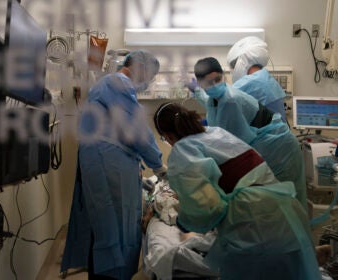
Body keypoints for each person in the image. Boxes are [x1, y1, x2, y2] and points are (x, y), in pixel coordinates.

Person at [153, 102, 321, 280]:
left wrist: (185, 221)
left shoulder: (183, 151)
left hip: (251, 220)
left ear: (168, 135)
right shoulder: (216, 133)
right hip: (284, 211)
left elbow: (206, 208)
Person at [61, 50, 167, 280]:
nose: (148, 83)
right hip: (108, 164)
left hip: (106, 160)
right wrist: (159, 165)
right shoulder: (116, 82)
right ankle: (112, 275)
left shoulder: (111, 85)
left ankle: (107, 272)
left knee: (105, 226)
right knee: (115, 228)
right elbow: (136, 128)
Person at [189, 57, 307, 211]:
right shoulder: (216, 97)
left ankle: (293, 234)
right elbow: (208, 100)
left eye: (217, 79)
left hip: (279, 150)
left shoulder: (230, 100)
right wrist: (195, 90)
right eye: (208, 83)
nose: (214, 85)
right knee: (272, 203)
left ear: (223, 75)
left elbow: (231, 147)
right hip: (267, 146)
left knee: (285, 202)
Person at [227, 36, 287, 122]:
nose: (232, 70)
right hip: (278, 132)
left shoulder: (250, 83)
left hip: (265, 134)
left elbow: (224, 101)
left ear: (243, 61)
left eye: (233, 66)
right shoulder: (264, 77)